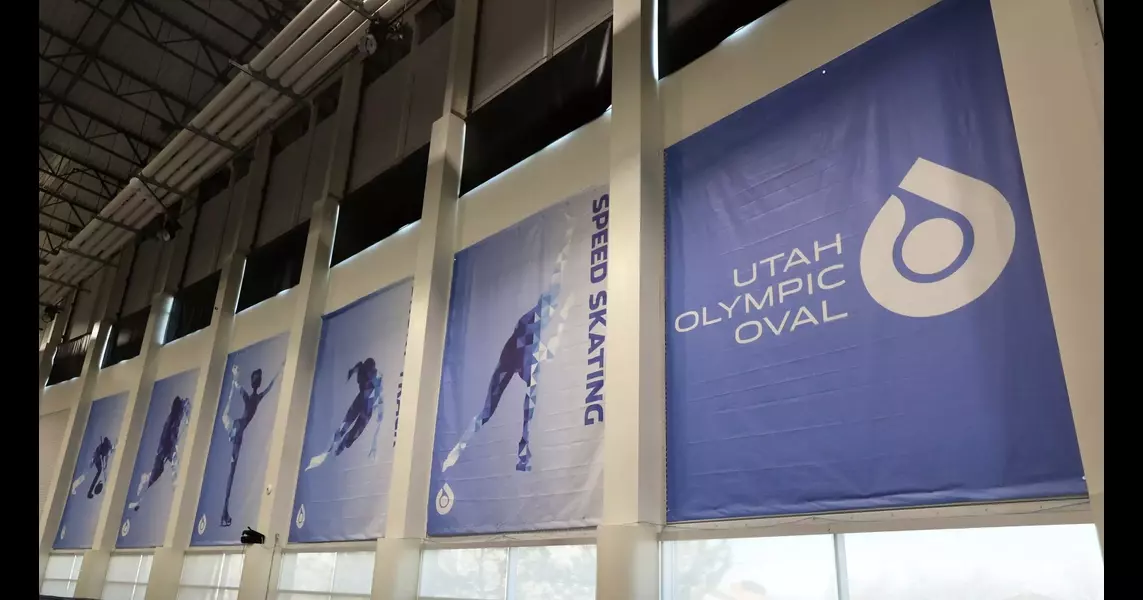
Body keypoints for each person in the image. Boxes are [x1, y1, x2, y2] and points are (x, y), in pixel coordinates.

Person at [441, 223, 574, 474]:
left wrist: (569, 231)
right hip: (512, 356)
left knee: (532, 395)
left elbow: (561, 266)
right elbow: (526, 341)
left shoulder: (551, 311)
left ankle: (524, 449)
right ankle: (456, 452)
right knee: (487, 411)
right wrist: (545, 350)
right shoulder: (531, 319)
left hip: (526, 354)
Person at [219, 363, 281, 527]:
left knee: (231, 475)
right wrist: (279, 370)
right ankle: (224, 513)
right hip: (237, 431)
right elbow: (269, 387)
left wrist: (235, 379)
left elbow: (267, 387)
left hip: (236, 428)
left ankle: (224, 512)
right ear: (257, 382)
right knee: (230, 475)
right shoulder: (255, 397)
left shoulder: (253, 396)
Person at [304, 357, 384, 471]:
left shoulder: (376, 377)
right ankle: (337, 445)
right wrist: (351, 372)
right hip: (361, 401)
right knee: (346, 426)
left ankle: (341, 445)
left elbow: (379, 394)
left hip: (367, 407)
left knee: (353, 432)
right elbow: (356, 369)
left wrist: (380, 410)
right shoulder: (362, 369)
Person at [128, 396, 190, 512]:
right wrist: (174, 445)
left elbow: (187, 405)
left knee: (170, 465)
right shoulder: (174, 418)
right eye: (183, 407)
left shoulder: (177, 414)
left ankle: (174, 482)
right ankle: (147, 478)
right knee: (160, 470)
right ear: (179, 408)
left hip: (167, 445)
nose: (184, 408)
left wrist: (187, 416)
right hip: (165, 446)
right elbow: (172, 433)